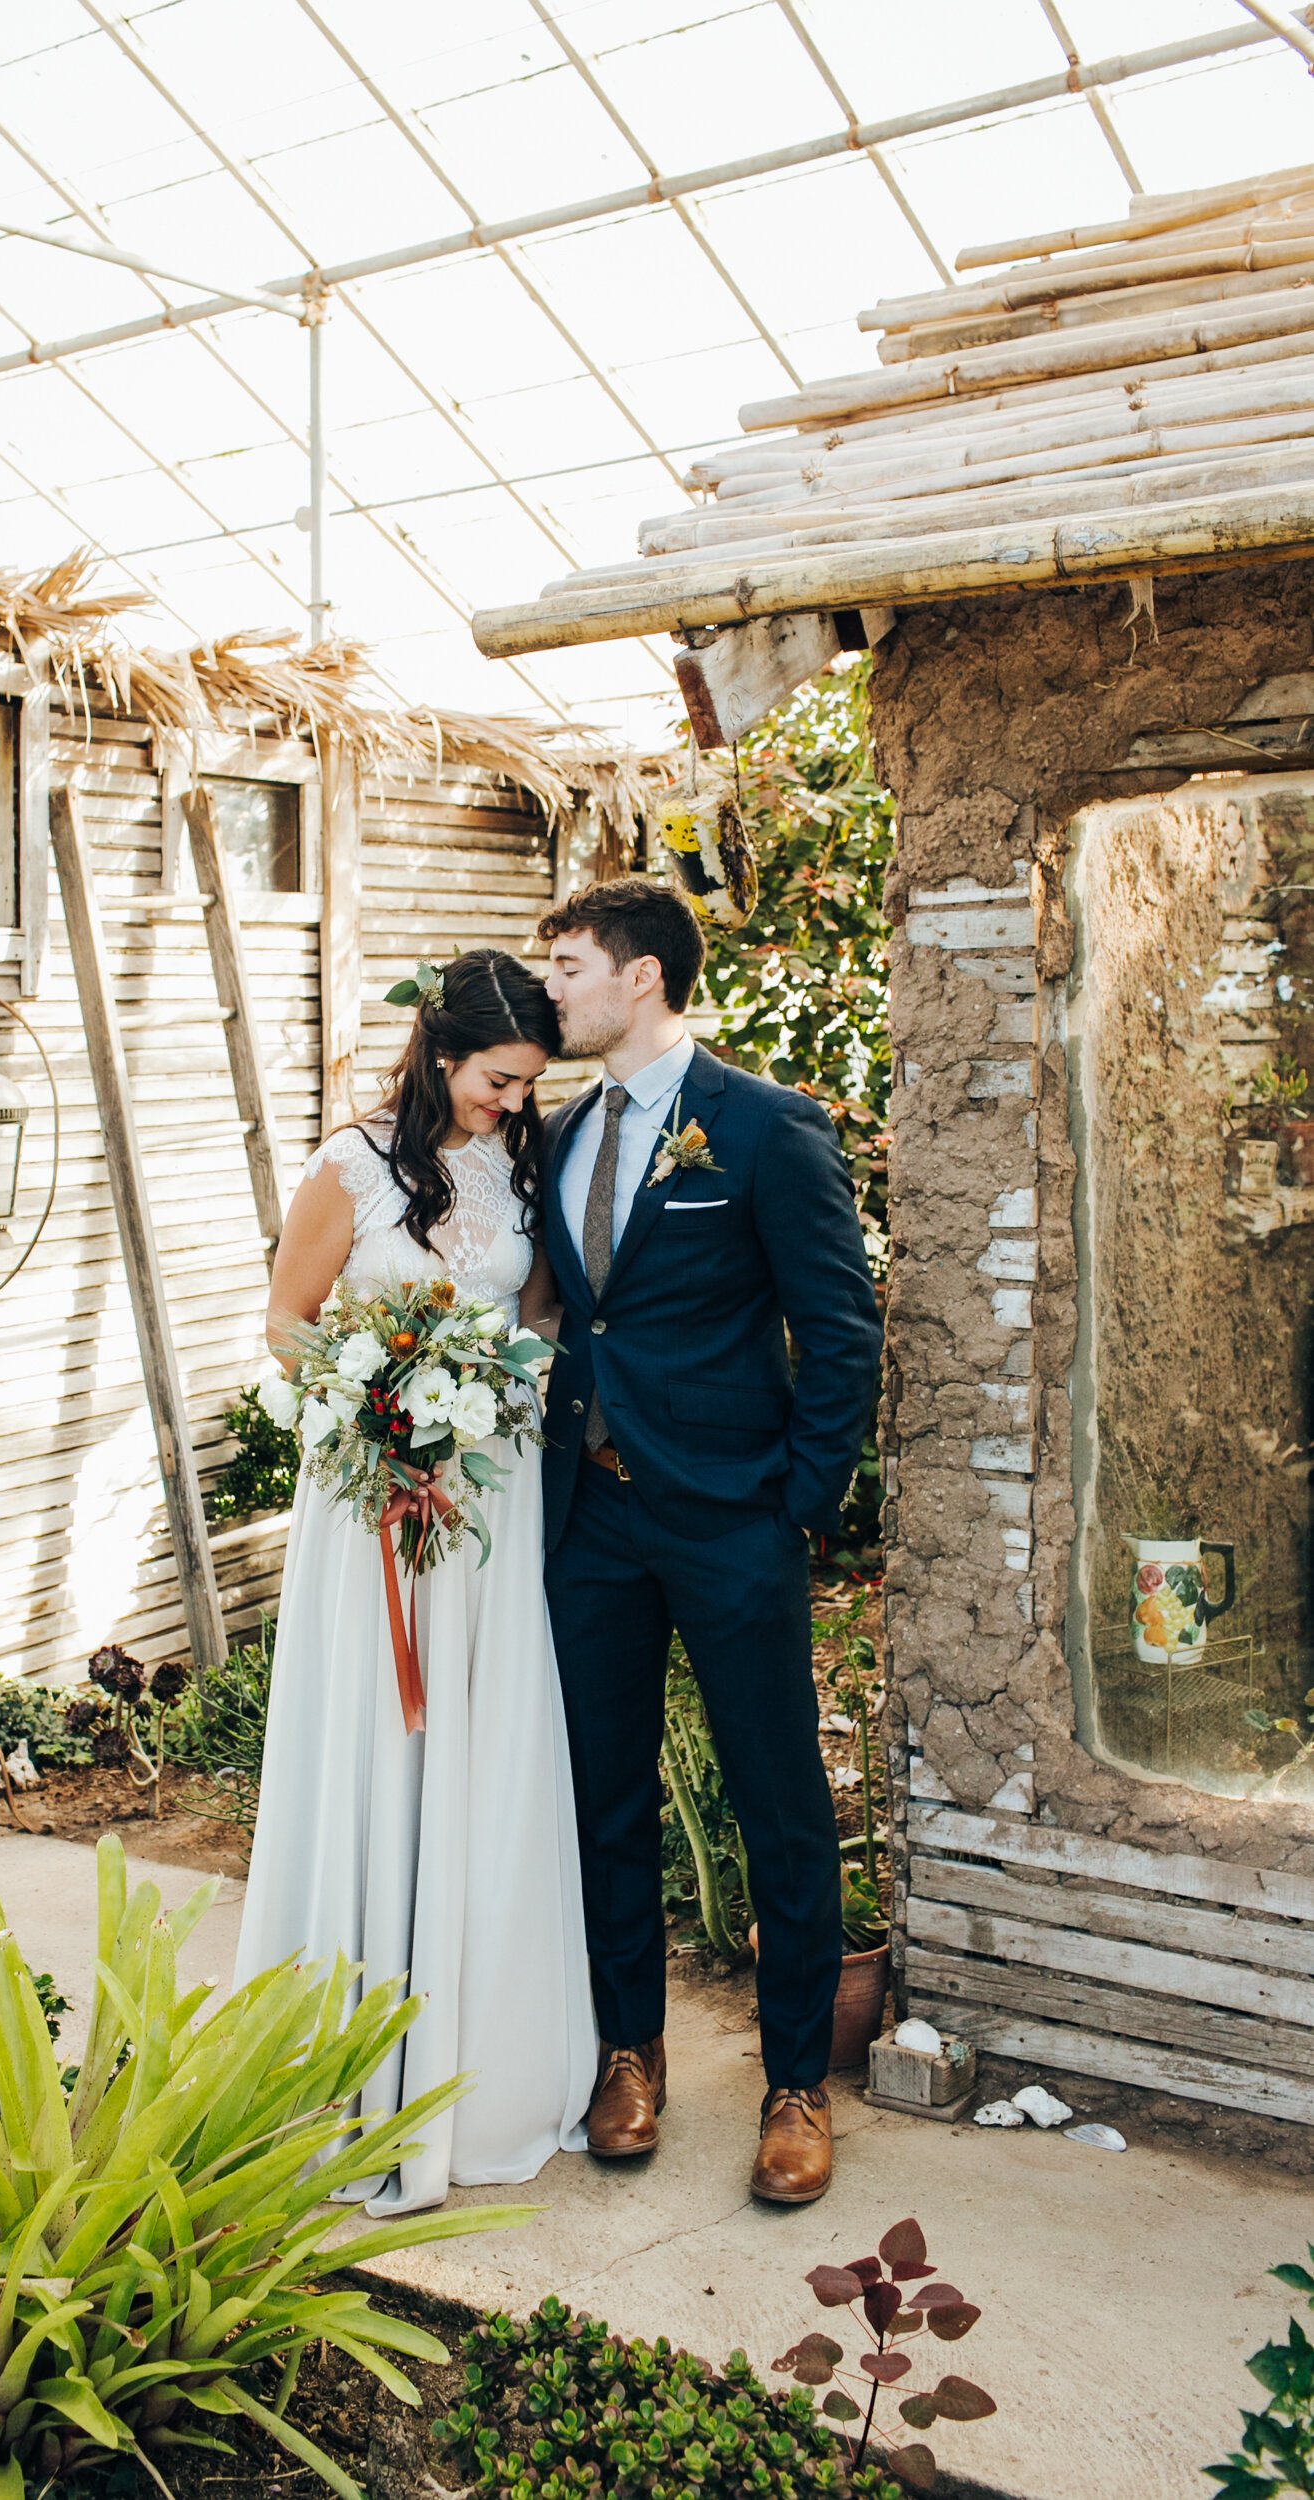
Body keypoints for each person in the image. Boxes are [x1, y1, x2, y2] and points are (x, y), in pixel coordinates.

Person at [233, 946, 598, 2215]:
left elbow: (543, 1318)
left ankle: (471, 2061)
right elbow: (287, 1318)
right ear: (443, 1057)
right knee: (375, 1752)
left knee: (480, 1753)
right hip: (374, 1497)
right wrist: (378, 1407)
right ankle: (342, 2061)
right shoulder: (349, 1164)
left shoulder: (528, 1164)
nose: (512, 1100)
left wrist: (490, 1392)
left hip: (487, 1496)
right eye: (500, 1078)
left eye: (526, 1084)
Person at [536, 877, 882, 2206]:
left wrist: (792, 1499)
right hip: (595, 1524)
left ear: (638, 979)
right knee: (604, 1793)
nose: (549, 985)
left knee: (777, 1801)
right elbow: (581, 1322)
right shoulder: (560, 1136)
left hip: (734, 1518)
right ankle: (630, 2054)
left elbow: (838, 1328)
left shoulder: (763, 1128)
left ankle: (794, 2083)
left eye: (566, 964)